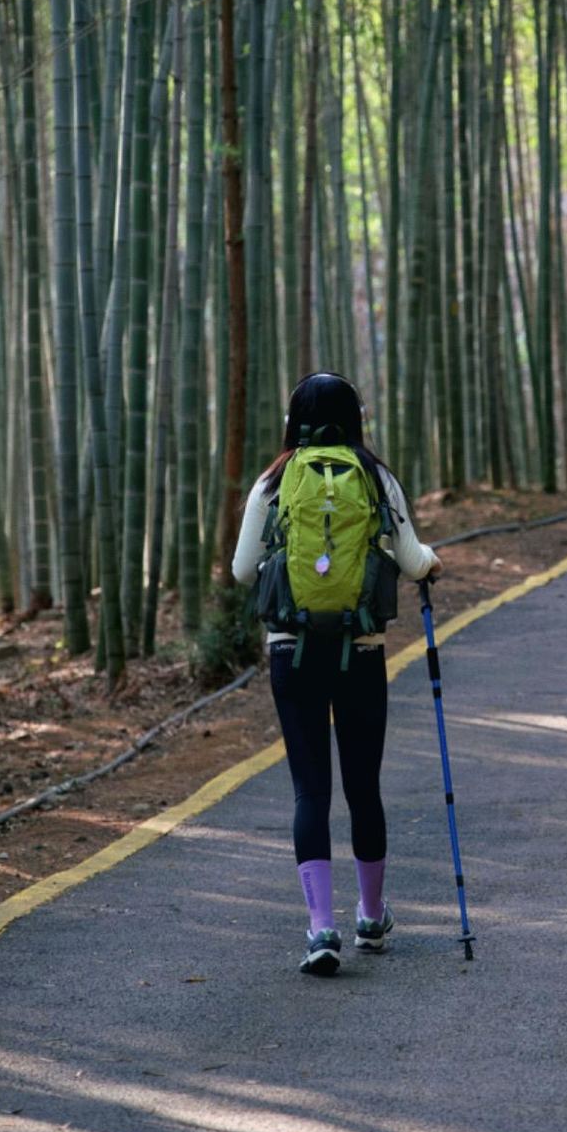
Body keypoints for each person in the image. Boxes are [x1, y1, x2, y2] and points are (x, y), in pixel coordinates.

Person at [232, 371, 442, 977]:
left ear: (293, 421)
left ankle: (321, 928)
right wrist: (432, 563)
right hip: (362, 649)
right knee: (363, 786)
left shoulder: (274, 481)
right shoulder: (375, 477)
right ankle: (370, 917)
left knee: (311, 791)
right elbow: (412, 560)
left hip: (291, 652)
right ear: (356, 420)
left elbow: (244, 570)